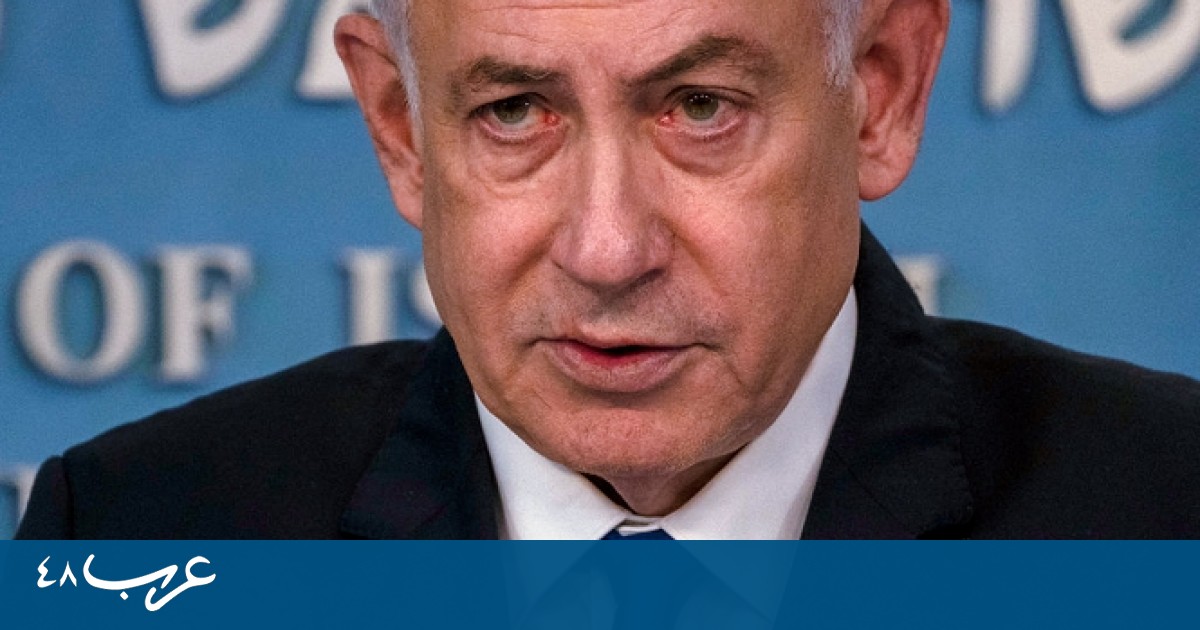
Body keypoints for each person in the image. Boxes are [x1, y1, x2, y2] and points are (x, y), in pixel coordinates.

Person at [16, 0, 1200, 540]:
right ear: (398, 127)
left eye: (701, 106)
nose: (607, 249)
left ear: (881, 92)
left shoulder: (1167, 516)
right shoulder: (137, 534)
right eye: (514, 111)